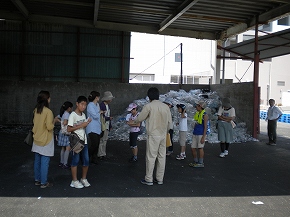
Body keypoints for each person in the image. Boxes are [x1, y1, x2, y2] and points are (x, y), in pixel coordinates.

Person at [128, 87, 172, 186]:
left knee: (151, 157)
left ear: (149, 97)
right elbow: (170, 123)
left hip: (153, 135)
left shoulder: (149, 106)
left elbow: (140, 118)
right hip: (163, 134)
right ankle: (160, 179)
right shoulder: (165, 107)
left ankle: (149, 179)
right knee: (161, 157)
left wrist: (133, 121)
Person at [32, 90, 60, 188]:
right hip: (46, 140)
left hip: (36, 138)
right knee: (44, 161)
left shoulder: (36, 110)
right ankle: (44, 182)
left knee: (37, 161)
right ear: (47, 99)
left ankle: (37, 180)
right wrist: (55, 121)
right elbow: (49, 127)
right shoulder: (48, 112)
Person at [67, 96, 92, 189]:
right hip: (76, 142)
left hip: (84, 141)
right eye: (82, 104)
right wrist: (82, 125)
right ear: (77, 104)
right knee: (75, 160)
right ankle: (74, 181)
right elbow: (69, 129)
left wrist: (86, 123)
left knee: (86, 160)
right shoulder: (72, 115)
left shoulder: (83, 115)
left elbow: (82, 128)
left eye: (85, 104)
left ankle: (83, 179)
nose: (83, 106)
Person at [189, 100, 209, 168]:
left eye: (197, 106)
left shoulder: (205, 115)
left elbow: (206, 126)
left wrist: (204, 137)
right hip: (195, 132)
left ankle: (201, 162)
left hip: (200, 133)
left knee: (200, 148)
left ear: (200, 106)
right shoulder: (197, 113)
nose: (196, 107)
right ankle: (195, 161)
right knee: (193, 148)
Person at [86, 91, 103, 165]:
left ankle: (94, 158)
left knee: (97, 144)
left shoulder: (97, 105)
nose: (99, 98)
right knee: (94, 144)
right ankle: (86, 157)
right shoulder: (90, 105)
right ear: (96, 97)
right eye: (98, 97)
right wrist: (100, 112)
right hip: (91, 127)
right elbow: (95, 116)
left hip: (97, 127)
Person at [98, 91, 114, 160]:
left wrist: (110, 125)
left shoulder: (107, 105)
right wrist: (108, 118)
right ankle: (100, 154)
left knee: (104, 140)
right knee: (102, 140)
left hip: (106, 124)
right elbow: (102, 116)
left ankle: (103, 153)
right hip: (103, 124)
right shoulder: (102, 105)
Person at [57, 101, 73, 169]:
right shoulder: (67, 114)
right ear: (69, 108)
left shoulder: (63, 113)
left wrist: (60, 121)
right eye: (71, 108)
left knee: (63, 148)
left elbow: (57, 118)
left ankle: (61, 162)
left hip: (61, 132)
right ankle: (65, 163)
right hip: (66, 133)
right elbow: (65, 122)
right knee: (68, 148)